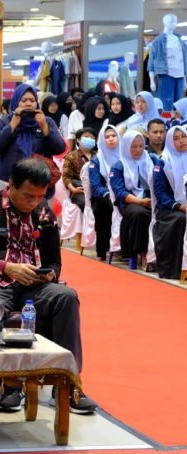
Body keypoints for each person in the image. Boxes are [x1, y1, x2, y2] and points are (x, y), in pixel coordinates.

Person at [0, 157, 97, 414]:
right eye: (27, 196)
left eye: (39, 196)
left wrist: (48, 275)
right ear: (10, 185)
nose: (33, 202)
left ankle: (68, 385)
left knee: (66, 296)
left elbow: (55, 262)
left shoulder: (44, 211)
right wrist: (6, 267)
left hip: (33, 285)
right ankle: (11, 384)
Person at [0, 84, 66, 183]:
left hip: (41, 184)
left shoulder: (47, 121)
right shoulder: (4, 121)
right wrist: (11, 126)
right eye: (24, 101)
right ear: (16, 101)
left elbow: (60, 148)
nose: (28, 104)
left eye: (32, 100)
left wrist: (44, 126)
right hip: (10, 184)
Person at [109, 130, 161, 267]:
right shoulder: (119, 166)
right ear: (126, 146)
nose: (138, 150)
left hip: (152, 199)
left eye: (141, 146)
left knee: (164, 214)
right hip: (129, 202)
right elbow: (120, 192)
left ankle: (160, 255)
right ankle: (142, 253)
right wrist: (140, 201)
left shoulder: (152, 160)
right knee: (140, 214)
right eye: (133, 146)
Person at [152, 125, 187, 278]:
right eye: (175, 138)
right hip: (170, 210)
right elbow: (160, 193)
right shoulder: (163, 163)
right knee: (182, 220)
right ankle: (177, 269)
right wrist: (179, 206)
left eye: (183, 136)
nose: (181, 141)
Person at [87, 125, 119, 260]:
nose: (111, 139)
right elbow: (95, 185)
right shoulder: (96, 160)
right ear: (101, 140)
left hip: (121, 194)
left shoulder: (124, 155)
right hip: (102, 196)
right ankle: (103, 249)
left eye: (113, 136)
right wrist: (108, 193)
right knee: (105, 206)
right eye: (107, 137)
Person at [148, 14, 187, 112]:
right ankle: (166, 124)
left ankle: (178, 124)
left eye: (175, 22)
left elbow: (183, 60)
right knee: (166, 104)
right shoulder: (158, 41)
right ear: (165, 22)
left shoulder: (180, 41)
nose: (174, 24)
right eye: (171, 22)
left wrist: (185, 79)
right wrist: (152, 80)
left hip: (180, 75)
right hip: (166, 75)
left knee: (180, 104)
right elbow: (151, 62)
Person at [63, 128, 96, 212]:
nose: (89, 139)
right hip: (79, 190)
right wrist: (74, 190)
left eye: (92, 138)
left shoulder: (98, 156)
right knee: (87, 204)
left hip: (96, 189)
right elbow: (66, 177)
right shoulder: (71, 156)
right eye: (86, 137)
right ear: (78, 140)